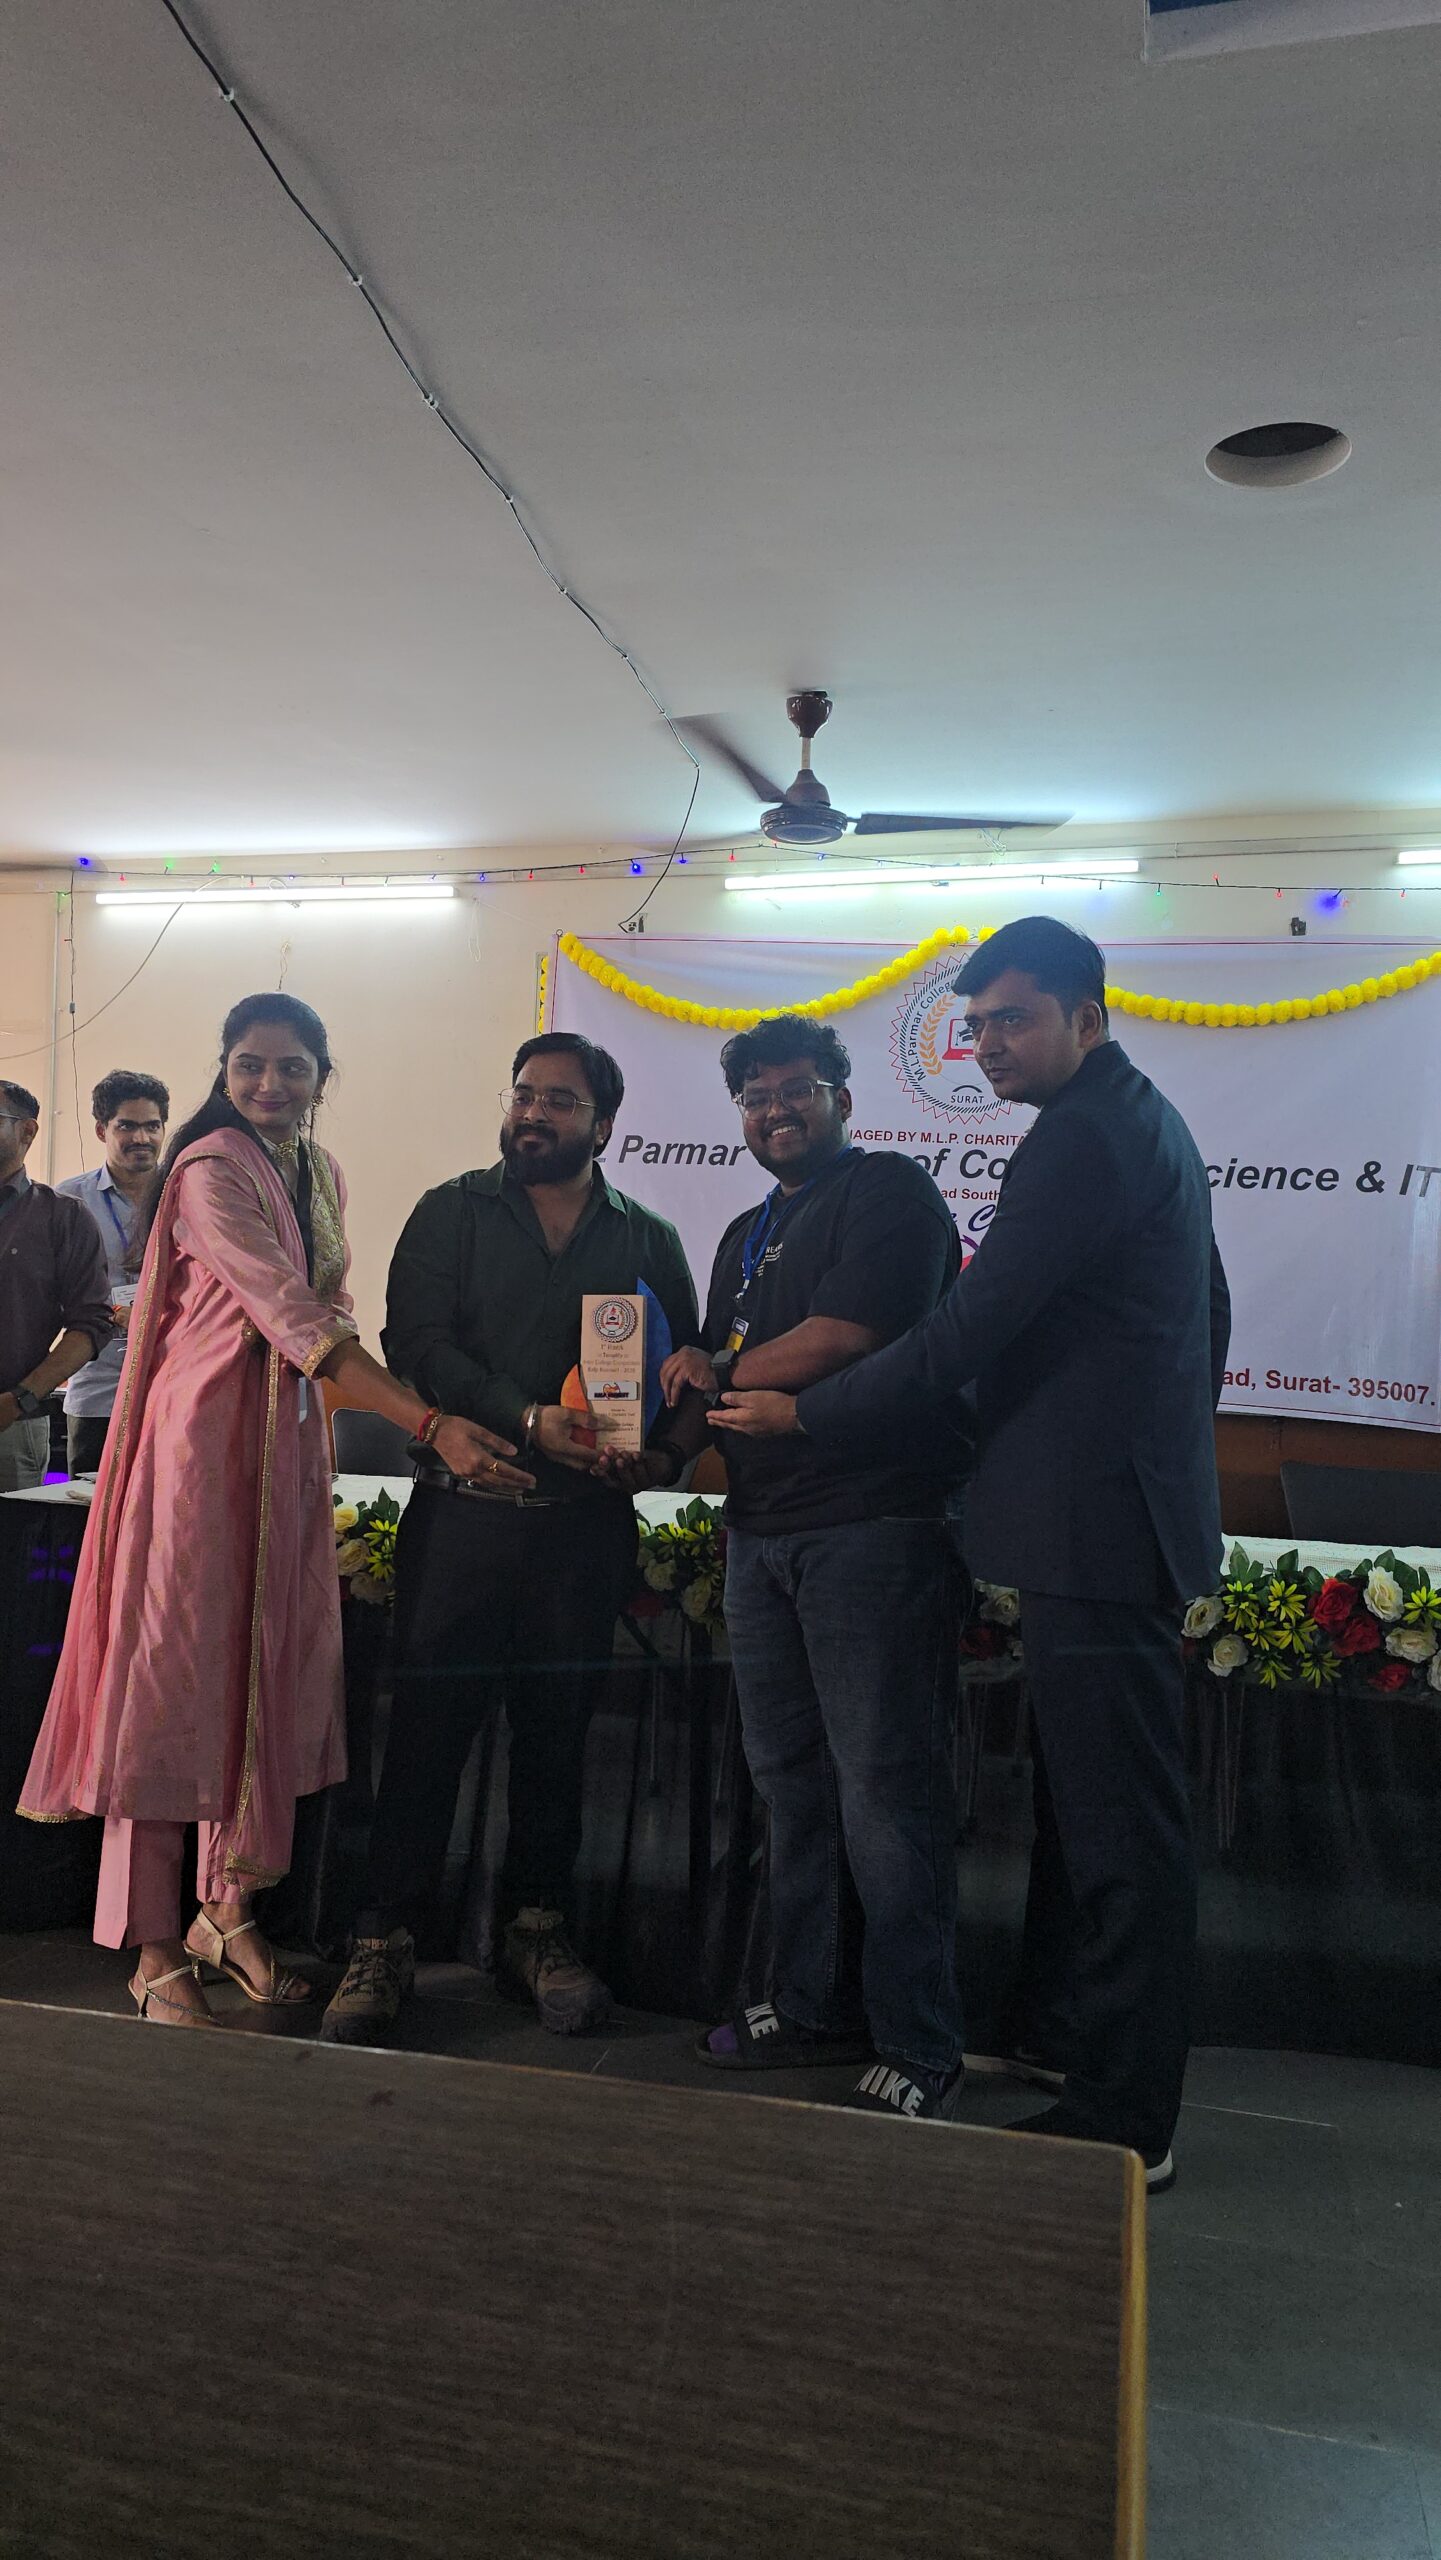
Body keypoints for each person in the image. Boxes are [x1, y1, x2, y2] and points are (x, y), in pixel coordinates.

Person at [711, 919, 1230, 2192]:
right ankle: (1083, 2056)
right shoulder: (1133, 1122)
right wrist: (1153, 1433)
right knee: (1097, 1822)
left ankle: (1128, 2118)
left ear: (1085, 1017)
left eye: (1013, 1019)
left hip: (1092, 1522)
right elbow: (1207, 1311)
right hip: (1105, 1510)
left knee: (1119, 1833)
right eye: (976, 1023)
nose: (988, 1044)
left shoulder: (1083, 1137)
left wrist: (805, 1416)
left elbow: (966, 1329)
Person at [19, 995, 524, 2027]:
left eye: (292, 1067)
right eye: (250, 1064)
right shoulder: (209, 1167)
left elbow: (328, 1309)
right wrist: (429, 1423)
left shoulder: (318, 1171)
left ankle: (227, 1908)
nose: (270, 1084)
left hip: (285, 1444)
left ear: (321, 1077)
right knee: (171, 1683)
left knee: (264, 1668)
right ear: (224, 1069)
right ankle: (152, 1943)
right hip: (197, 1448)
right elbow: (292, 1314)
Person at [321, 1030, 699, 2046]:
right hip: (463, 1520)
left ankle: (536, 1932)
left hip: (584, 1530)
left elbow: (684, 1368)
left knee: (556, 1738)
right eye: (524, 1094)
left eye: (560, 1101)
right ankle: (384, 1935)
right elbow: (415, 1342)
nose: (534, 1112)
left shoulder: (648, 1237)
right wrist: (527, 1417)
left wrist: (660, 1457)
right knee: (426, 1737)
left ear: (603, 1124)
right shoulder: (451, 1210)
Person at [657, 1013, 970, 2121]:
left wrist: (715, 1364)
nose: (775, 1110)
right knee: (789, 1782)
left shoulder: (888, 1192)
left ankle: (921, 2041)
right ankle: (811, 2003)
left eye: (796, 1089)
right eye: (754, 1097)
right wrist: (641, 1454)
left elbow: (847, 1335)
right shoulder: (746, 1228)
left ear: (841, 1097)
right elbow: (704, 1381)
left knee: (885, 1790)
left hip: (870, 1529)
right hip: (761, 1532)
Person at [0, 1080, 112, 1492]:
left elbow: (91, 1324)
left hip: (9, 1424)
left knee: (10, 1535)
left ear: (27, 1131)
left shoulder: (62, 1217)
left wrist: (21, 1399)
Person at [56, 1070, 170, 1476]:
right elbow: (54, 1290)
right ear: (102, 1130)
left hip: (172, 1386)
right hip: (99, 1389)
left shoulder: (187, 1193)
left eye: (152, 1126)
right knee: (85, 1506)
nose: (142, 1138)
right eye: (127, 1126)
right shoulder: (70, 1200)